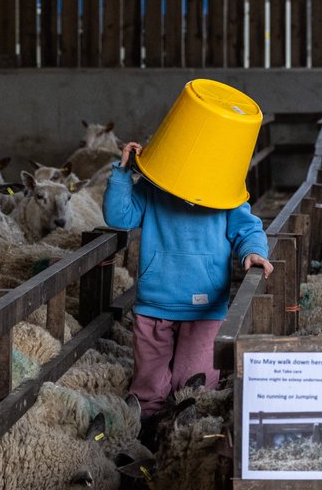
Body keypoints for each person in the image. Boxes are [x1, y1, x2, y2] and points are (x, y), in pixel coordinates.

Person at [103, 136, 273, 439]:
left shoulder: (224, 194)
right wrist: (122, 172)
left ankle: (190, 442)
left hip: (205, 307)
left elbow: (247, 228)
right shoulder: (154, 188)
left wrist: (253, 251)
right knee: (149, 383)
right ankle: (148, 441)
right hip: (155, 301)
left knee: (195, 384)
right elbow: (120, 217)